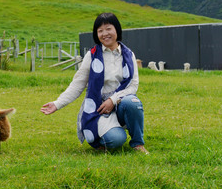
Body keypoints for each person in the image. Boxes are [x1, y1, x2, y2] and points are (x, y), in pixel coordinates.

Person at [41, 12, 149, 154]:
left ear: (117, 29)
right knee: (116, 140)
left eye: (108, 28)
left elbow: (133, 85)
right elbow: (78, 84)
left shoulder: (128, 54)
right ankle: (104, 136)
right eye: (100, 31)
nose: (105, 34)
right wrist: (57, 103)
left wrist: (113, 99)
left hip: (120, 102)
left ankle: (137, 144)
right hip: (98, 108)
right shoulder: (92, 55)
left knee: (132, 102)